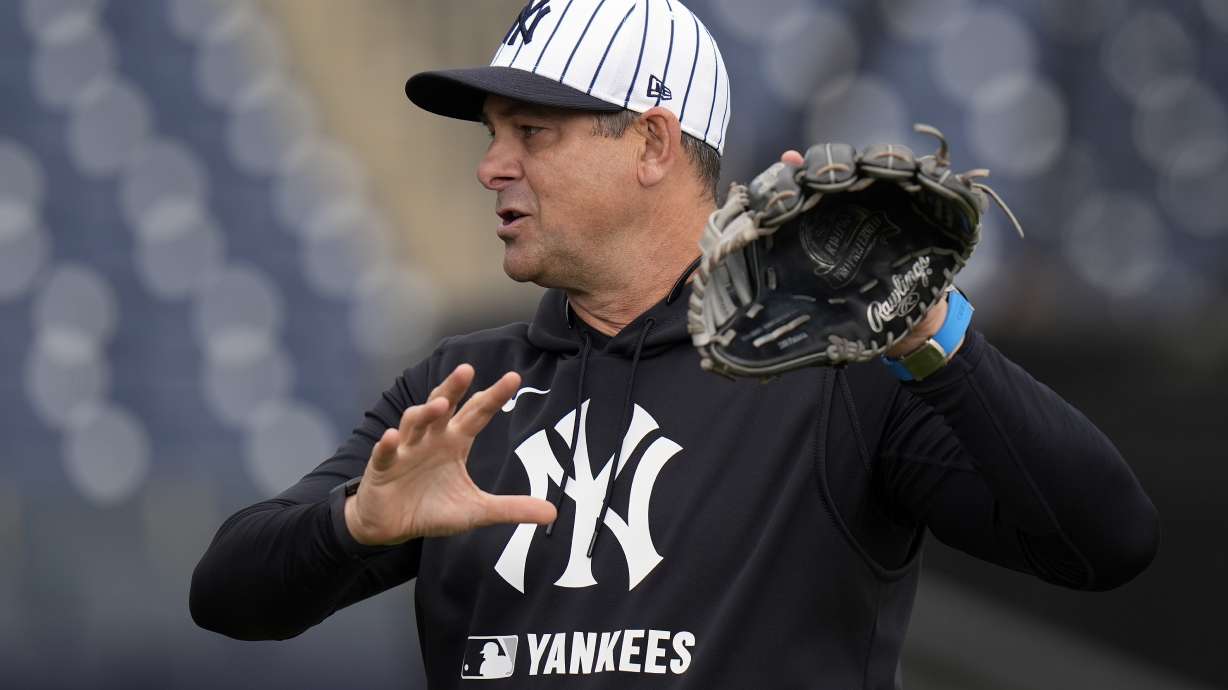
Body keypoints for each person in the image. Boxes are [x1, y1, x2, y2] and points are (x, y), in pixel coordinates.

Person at [189, 2, 1159, 688]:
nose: (491, 166)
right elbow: (230, 597)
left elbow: (1104, 541)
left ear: (653, 144)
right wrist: (353, 526)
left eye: (531, 131)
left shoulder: (838, 368)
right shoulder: (463, 386)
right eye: (493, 133)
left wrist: (923, 327)